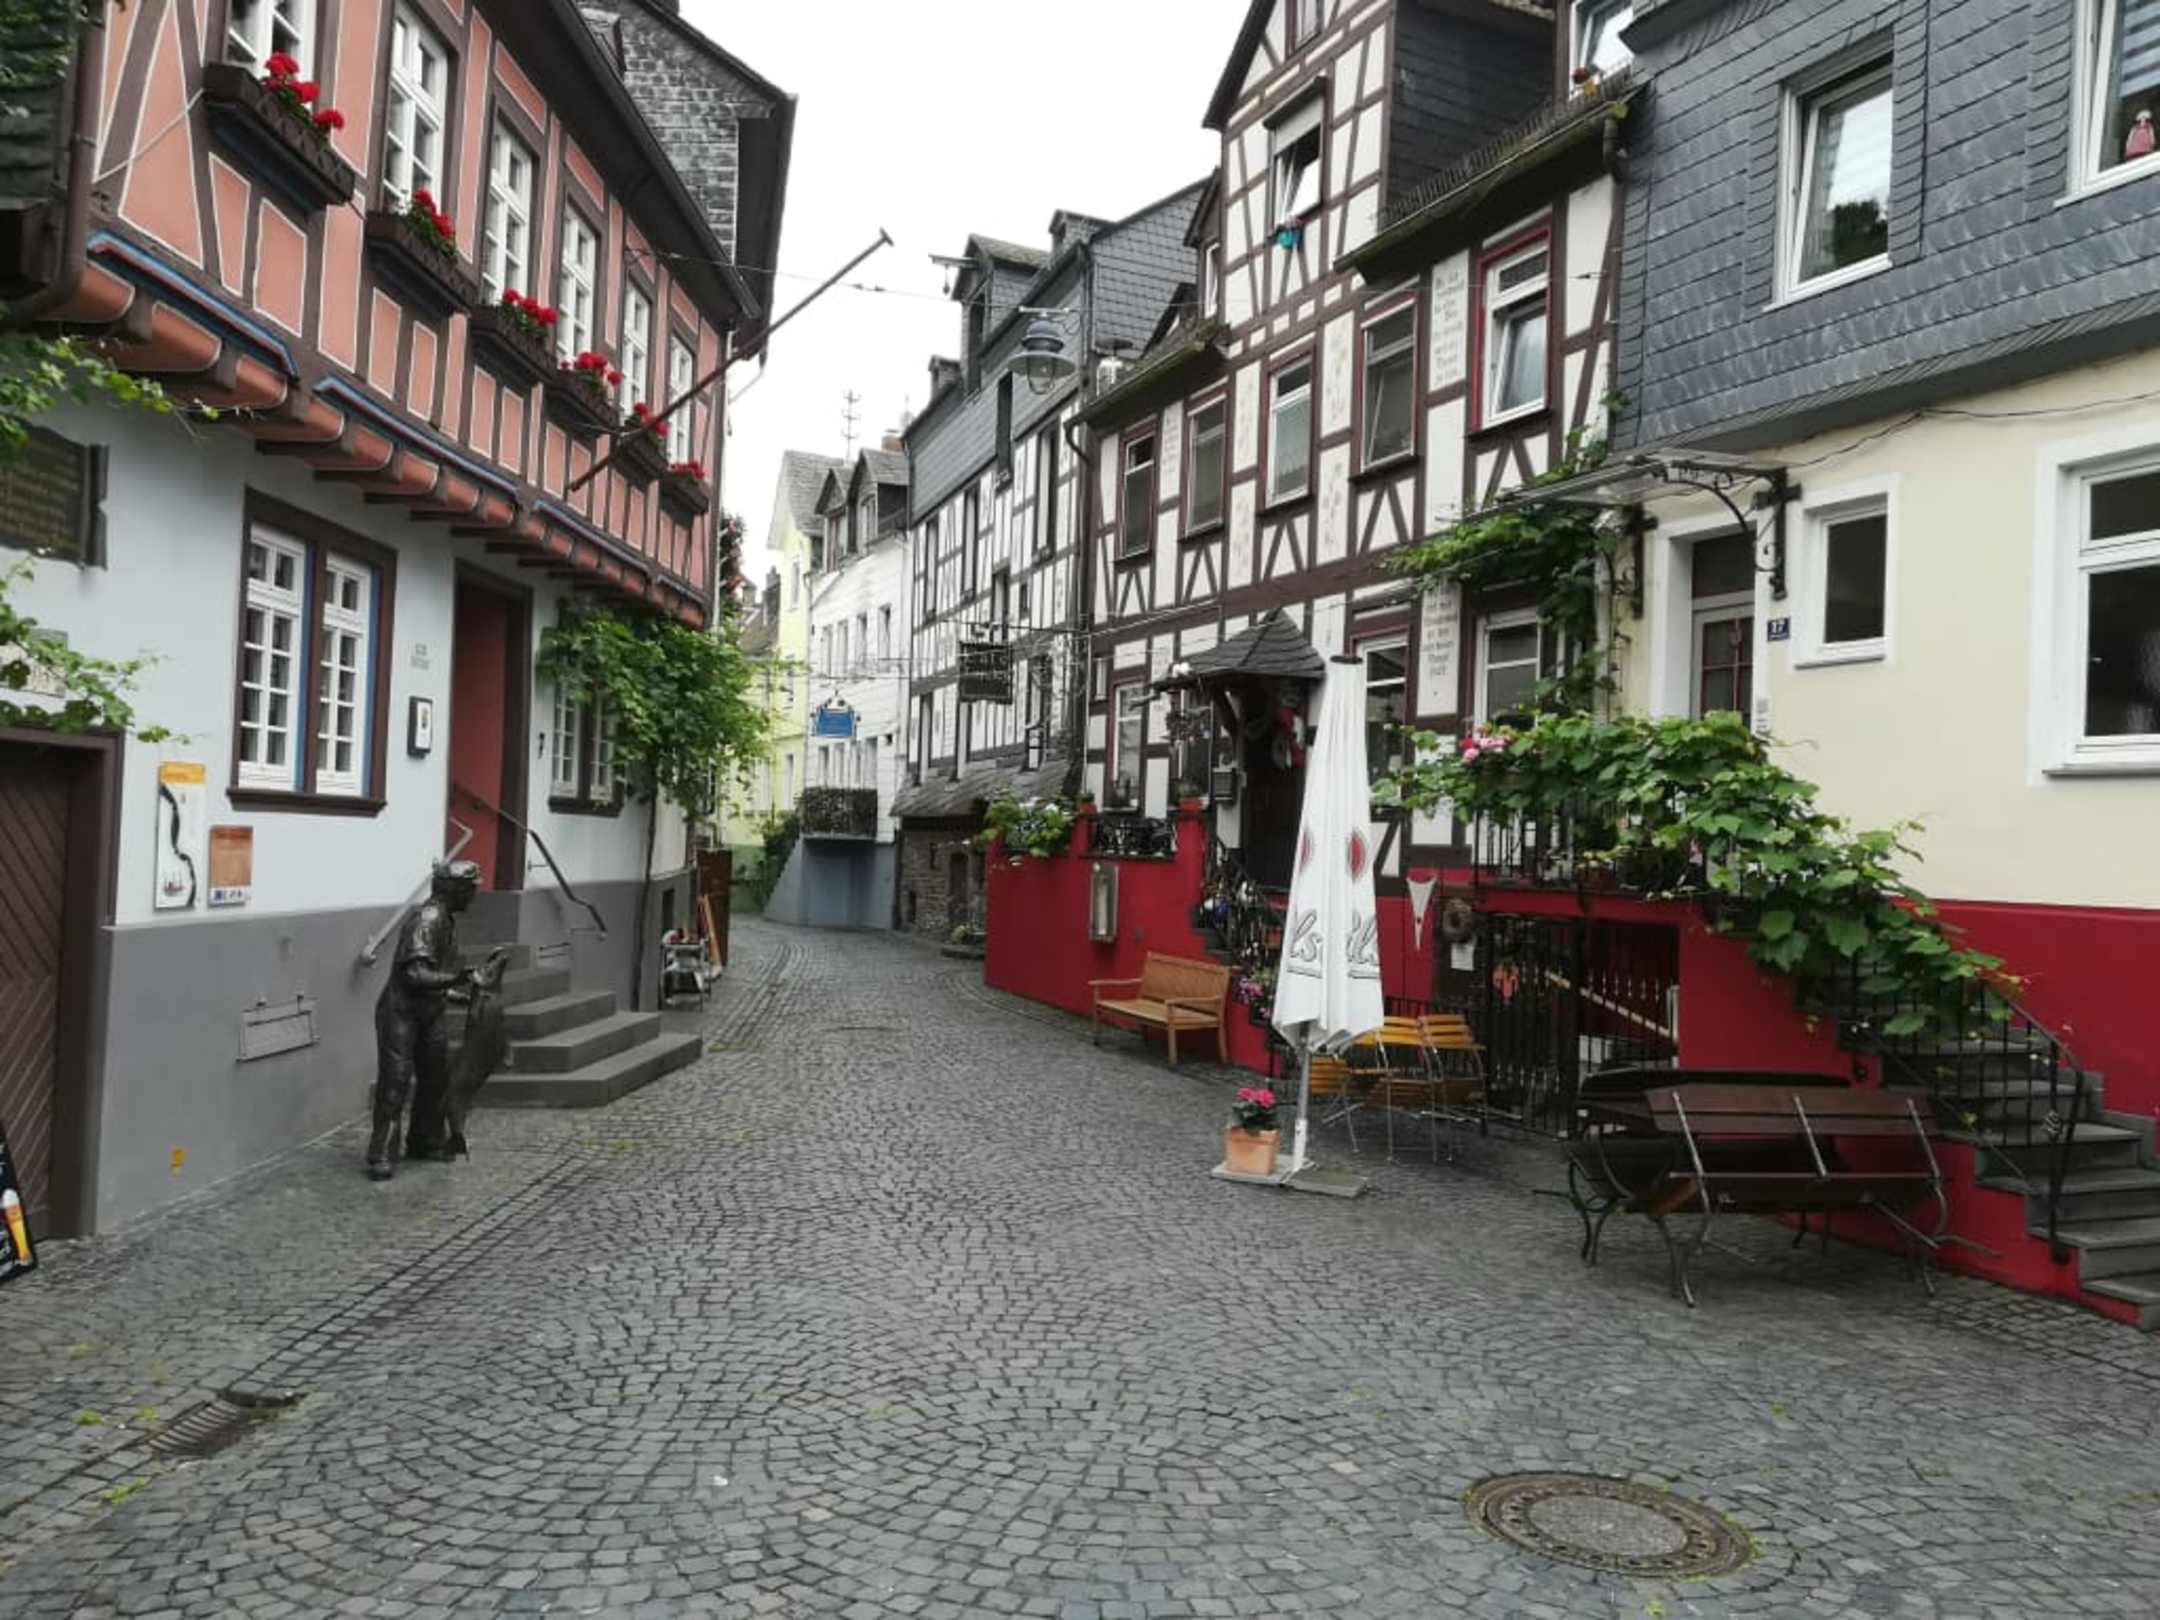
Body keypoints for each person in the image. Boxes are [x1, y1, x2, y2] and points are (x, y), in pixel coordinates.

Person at [369, 860, 483, 1180]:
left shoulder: (446, 919)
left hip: (430, 1012)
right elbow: (415, 974)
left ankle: (425, 1140)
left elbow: (431, 976)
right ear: (455, 890)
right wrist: (458, 978)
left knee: (436, 1078)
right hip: (401, 1014)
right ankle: (381, 1153)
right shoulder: (427, 920)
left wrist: (456, 995)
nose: (474, 895)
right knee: (396, 1081)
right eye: (471, 889)